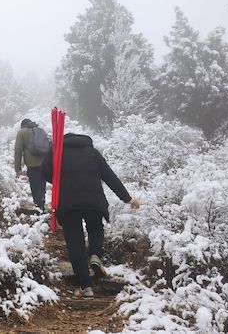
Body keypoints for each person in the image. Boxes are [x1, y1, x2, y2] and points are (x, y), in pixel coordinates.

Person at [42, 133, 140, 299]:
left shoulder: (56, 152)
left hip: (68, 202)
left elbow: (44, 171)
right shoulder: (93, 153)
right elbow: (110, 176)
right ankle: (95, 254)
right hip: (94, 201)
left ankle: (85, 286)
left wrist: (60, 180)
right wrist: (127, 198)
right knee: (95, 228)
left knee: (75, 242)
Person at [14, 118, 49, 211]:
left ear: (23, 126)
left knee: (35, 186)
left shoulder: (22, 132)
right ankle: (42, 204)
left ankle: (39, 208)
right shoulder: (41, 131)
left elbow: (18, 150)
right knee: (42, 185)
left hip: (32, 165)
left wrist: (17, 168)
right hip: (44, 164)